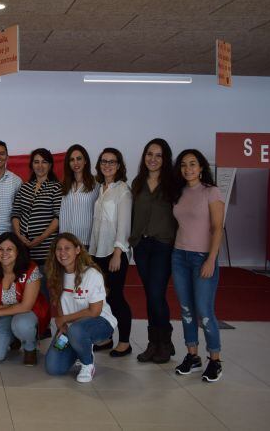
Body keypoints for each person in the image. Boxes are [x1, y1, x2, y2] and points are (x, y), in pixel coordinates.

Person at [172, 149, 225, 382]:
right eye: (183, 165)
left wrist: (211, 259)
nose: (188, 169)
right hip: (179, 256)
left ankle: (215, 360)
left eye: (193, 164)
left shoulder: (211, 192)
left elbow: (217, 228)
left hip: (202, 257)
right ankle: (193, 356)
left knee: (204, 311)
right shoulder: (180, 192)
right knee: (186, 310)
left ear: (201, 167)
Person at [44, 233, 118, 383]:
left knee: (77, 330)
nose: (62, 253)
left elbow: (94, 311)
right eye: (58, 249)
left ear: (77, 250)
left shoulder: (91, 274)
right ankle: (80, 347)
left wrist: (65, 319)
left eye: (67, 248)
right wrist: (63, 326)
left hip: (100, 323)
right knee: (54, 367)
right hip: (72, 327)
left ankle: (87, 363)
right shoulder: (56, 274)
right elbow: (60, 305)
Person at [130, 138, 177, 364]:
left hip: (163, 246)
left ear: (165, 159)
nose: (153, 159)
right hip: (142, 246)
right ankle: (153, 343)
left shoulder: (174, 184)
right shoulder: (137, 183)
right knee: (150, 294)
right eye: (149, 154)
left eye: (158, 155)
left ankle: (165, 341)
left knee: (157, 294)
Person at [89, 147, 133, 357]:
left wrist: (117, 252)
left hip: (114, 253)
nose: (107, 165)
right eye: (104, 161)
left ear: (119, 165)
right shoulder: (100, 188)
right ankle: (106, 338)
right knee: (102, 298)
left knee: (116, 297)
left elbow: (124, 225)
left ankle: (125, 341)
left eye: (112, 161)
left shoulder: (122, 190)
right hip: (97, 251)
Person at [0, 233, 49, 366]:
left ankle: (30, 347)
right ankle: (14, 338)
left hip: (27, 314)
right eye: (0, 249)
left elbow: (27, 307)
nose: (4, 253)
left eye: (9, 249)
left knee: (21, 324)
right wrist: (15, 307)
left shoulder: (30, 268)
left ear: (18, 251)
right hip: (5, 316)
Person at [11, 148, 62, 269]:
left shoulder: (56, 187)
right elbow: (15, 213)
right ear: (32, 165)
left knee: (44, 284)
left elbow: (58, 217)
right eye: (36, 162)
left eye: (44, 162)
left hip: (45, 248)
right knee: (26, 283)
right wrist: (18, 235)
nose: (40, 166)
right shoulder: (24, 187)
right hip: (23, 247)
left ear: (50, 165)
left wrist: (40, 238)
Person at [59, 144, 98, 248]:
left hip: (86, 241)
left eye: (79, 159)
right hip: (65, 242)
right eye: (72, 160)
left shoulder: (96, 184)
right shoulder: (63, 185)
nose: (75, 162)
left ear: (85, 161)